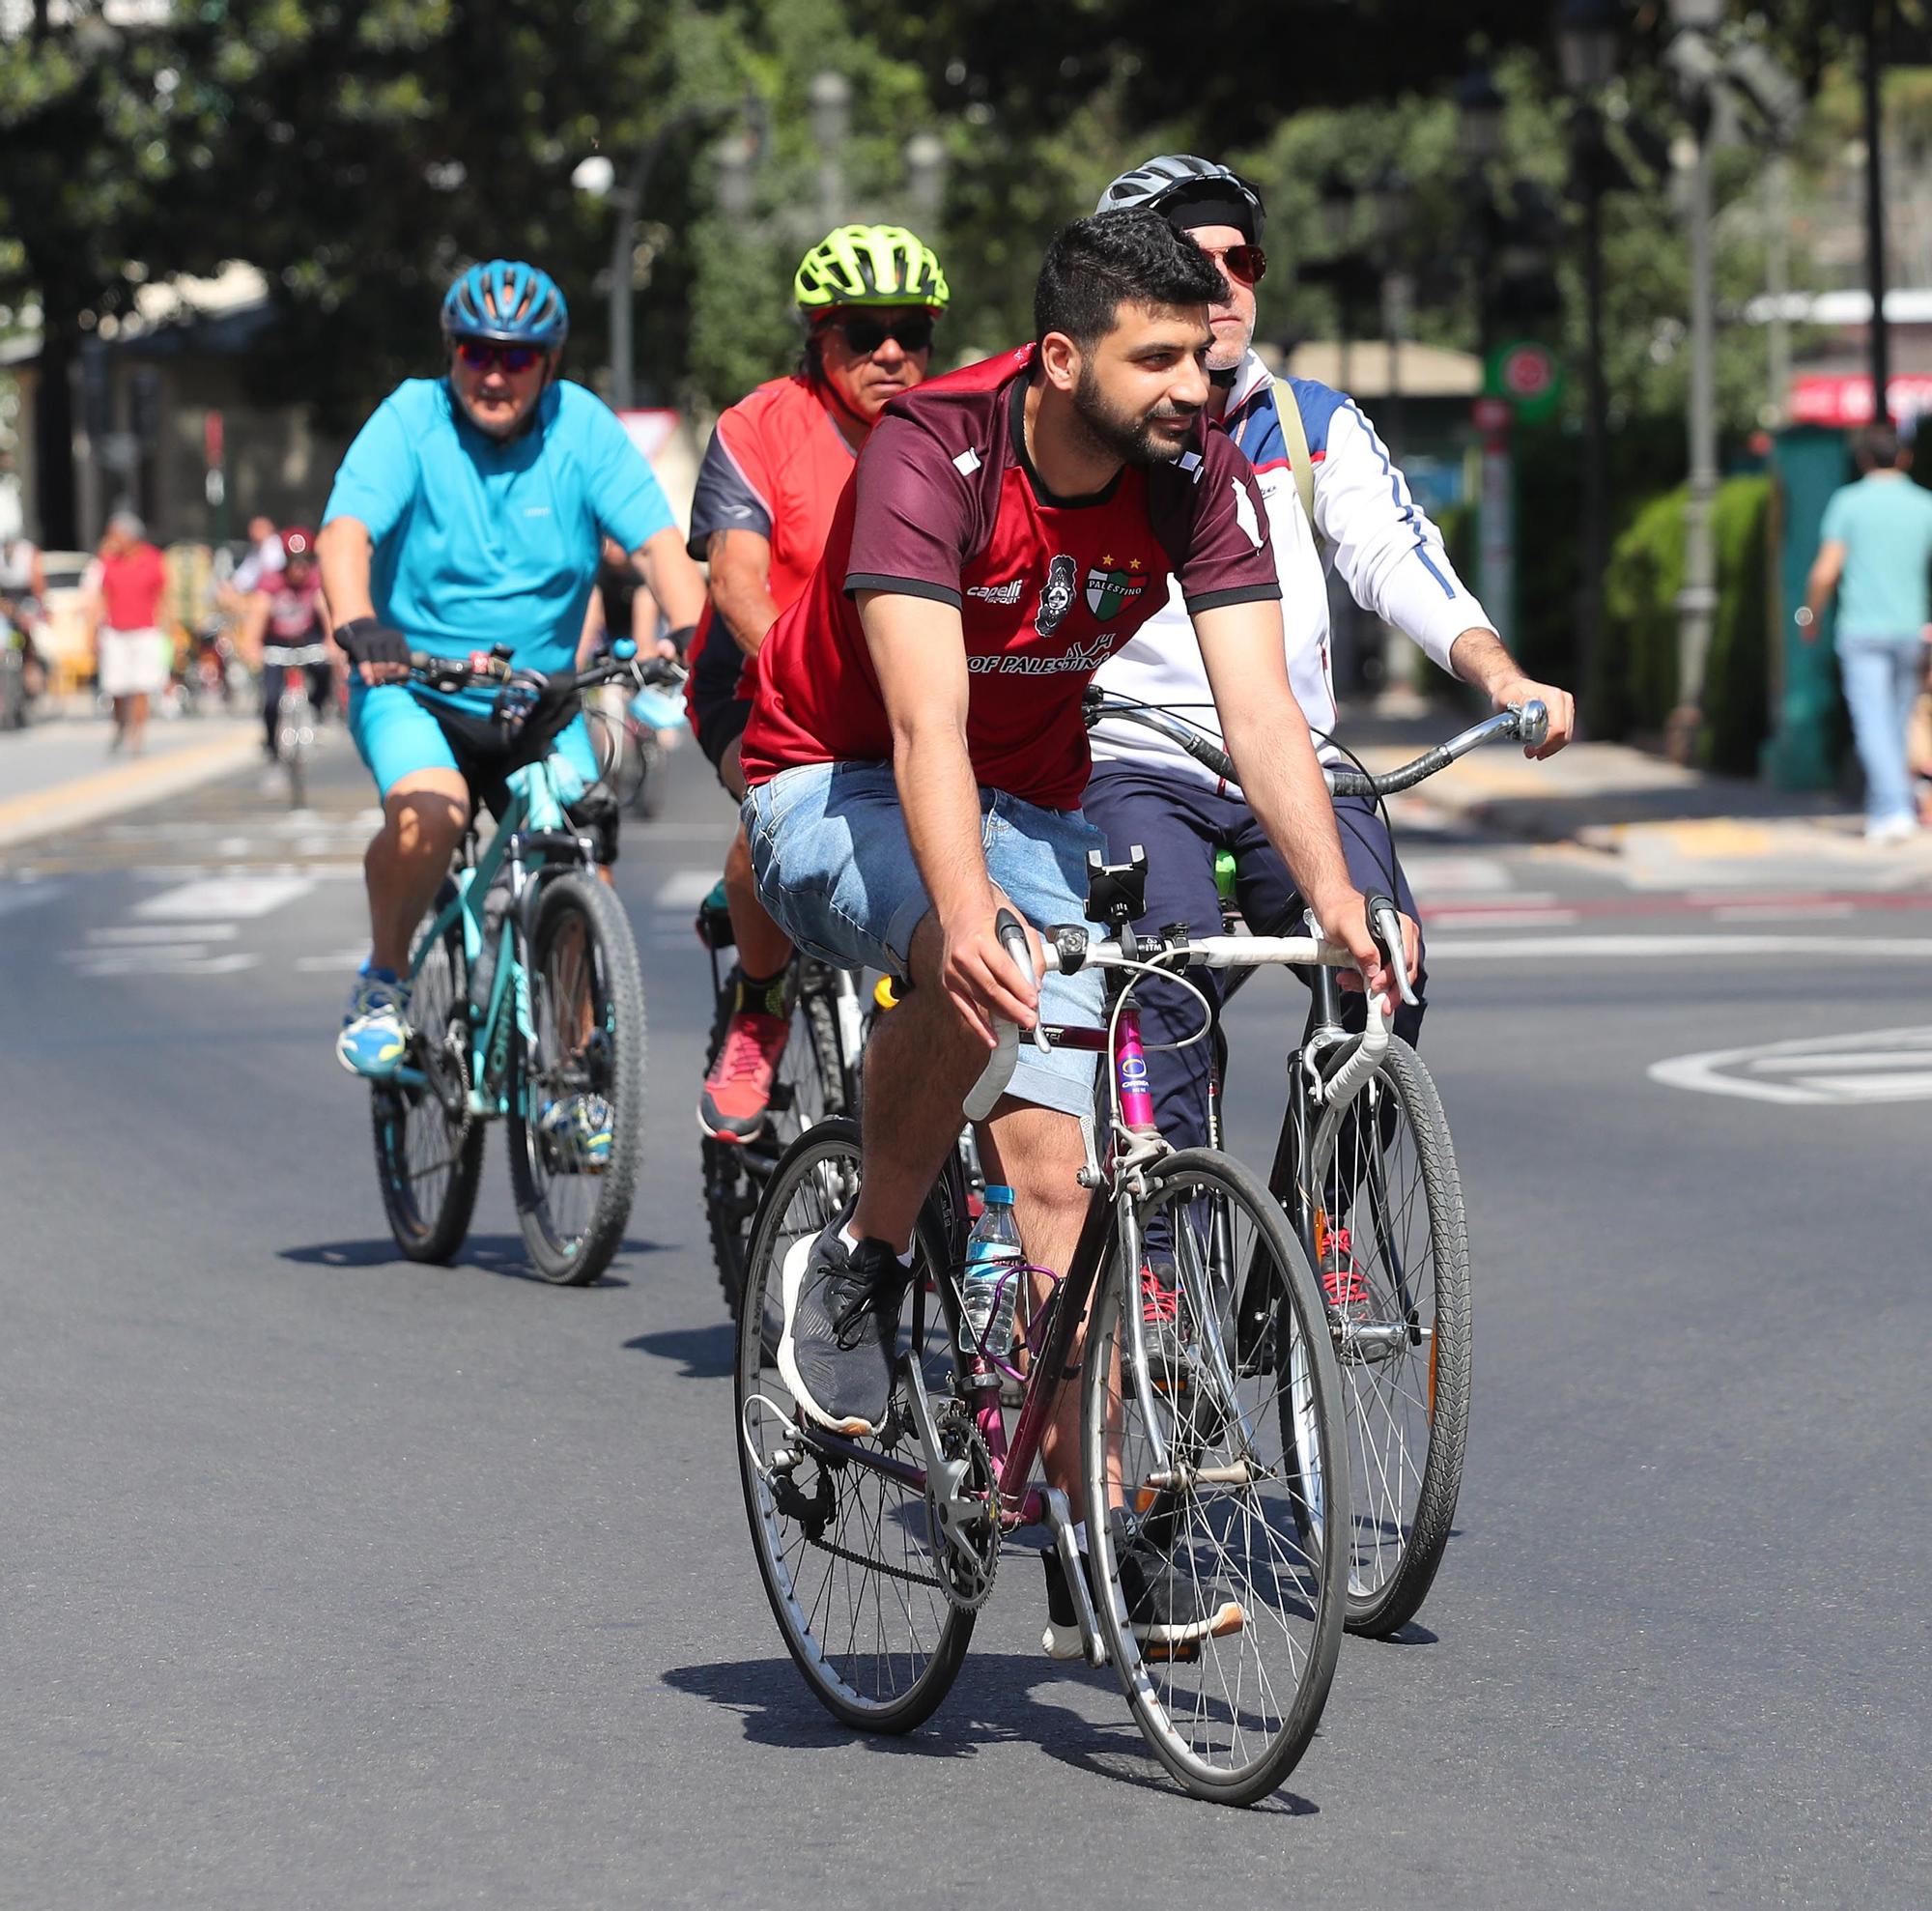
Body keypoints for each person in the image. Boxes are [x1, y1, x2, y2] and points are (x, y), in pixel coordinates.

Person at [738, 209, 1401, 1645]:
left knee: (1065, 1177)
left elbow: (1261, 713)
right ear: (1057, 357)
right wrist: (968, 916)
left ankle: (1108, 1535)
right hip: (831, 779)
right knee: (979, 978)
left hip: (1033, 799)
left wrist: (1339, 901)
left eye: (1201, 352)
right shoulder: (937, 447)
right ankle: (859, 1256)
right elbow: (925, 721)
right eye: (1155, 354)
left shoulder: (1193, 475)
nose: (1192, 380)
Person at [1082, 155, 1575, 1303]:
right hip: (1132, 757)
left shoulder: (1304, 426)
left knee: (1384, 958)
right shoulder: (1088, 432)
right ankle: (1157, 1275)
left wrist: (1500, 674)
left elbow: (1397, 558)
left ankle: (1313, 1229)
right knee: (1164, 974)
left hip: (1290, 761)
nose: (1223, 283)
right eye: (1191, 260)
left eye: (1241, 261)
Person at [317, 258, 706, 1085]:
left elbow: (659, 547)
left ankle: (574, 1071)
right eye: (477, 352)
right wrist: (361, 625)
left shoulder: (582, 427)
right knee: (435, 810)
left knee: (578, 855)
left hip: (542, 699)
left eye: (518, 357)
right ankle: (383, 984)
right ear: (452, 352)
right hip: (412, 685)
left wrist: (685, 635)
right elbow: (344, 533)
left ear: (549, 364)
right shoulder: (410, 419)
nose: (495, 373)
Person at [687, 224, 951, 1142]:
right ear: (818, 339)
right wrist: (818, 678)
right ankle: (757, 1007)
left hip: (904, 684)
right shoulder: (758, 426)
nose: (891, 352)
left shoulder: (957, 425)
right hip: (760, 679)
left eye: (911, 332)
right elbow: (737, 587)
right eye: (863, 330)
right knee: (773, 818)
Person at [1799, 421, 1932, 844]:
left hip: (1862, 630)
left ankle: (1893, 808)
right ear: (1905, 457)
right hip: (1911, 628)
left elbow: (1825, 570)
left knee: (1873, 722)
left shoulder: (1849, 503)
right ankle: (1888, 808)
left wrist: (1809, 614)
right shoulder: (1924, 504)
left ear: (1862, 460)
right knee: (1896, 721)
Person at [243, 525, 334, 764]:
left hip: (306, 638)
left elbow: (324, 610)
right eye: (294, 562)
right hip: (277, 641)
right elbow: (258, 614)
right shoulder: (271, 582)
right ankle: (271, 743)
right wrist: (252, 645)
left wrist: (331, 641)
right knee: (271, 697)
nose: (299, 569)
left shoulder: (315, 580)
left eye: (305, 561)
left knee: (323, 669)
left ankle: (316, 708)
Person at [87, 511, 169, 756]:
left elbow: (164, 597)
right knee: (117, 687)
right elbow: (101, 598)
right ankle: (120, 723)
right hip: (115, 632)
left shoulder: (153, 559)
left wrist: (168, 631)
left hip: (145, 631)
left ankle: (137, 734)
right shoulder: (108, 562)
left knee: (142, 686)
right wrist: (92, 632)